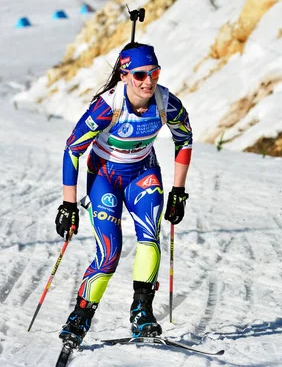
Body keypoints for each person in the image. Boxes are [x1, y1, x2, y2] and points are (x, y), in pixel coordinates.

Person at [55, 41, 192, 345]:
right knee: (109, 253)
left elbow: (185, 140)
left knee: (149, 237)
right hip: (104, 176)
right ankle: (80, 316)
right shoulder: (108, 106)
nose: (148, 81)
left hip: (143, 173)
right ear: (124, 75)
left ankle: (142, 313)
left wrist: (178, 191)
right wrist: (68, 205)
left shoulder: (166, 103)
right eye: (140, 75)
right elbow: (72, 149)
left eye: (154, 73)